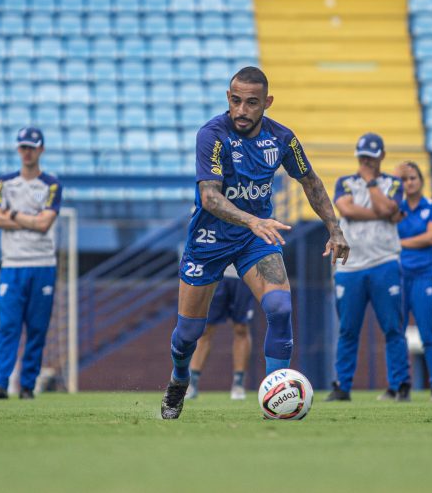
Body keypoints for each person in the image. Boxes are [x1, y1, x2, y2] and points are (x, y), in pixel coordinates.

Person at [160, 66, 350, 419]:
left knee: (279, 309)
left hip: (255, 240)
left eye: (251, 102)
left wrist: (334, 229)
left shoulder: (282, 138)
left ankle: (274, 401)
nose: (241, 110)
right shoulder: (212, 135)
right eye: (235, 101)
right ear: (228, 99)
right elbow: (210, 198)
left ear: (267, 102)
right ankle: (179, 380)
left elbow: (311, 182)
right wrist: (253, 219)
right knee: (189, 333)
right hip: (210, 239)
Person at [325, 133, 412, 403]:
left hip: (384, 262)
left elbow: (389, 206)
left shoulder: (392, 183)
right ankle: (343, 385)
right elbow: (347, 210)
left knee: (392, 327)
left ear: (381, 157)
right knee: (348, 329)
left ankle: (398, 385)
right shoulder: (345, 182)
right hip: (350, 268)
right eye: (363, 157)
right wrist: (383, 212)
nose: (366, 162)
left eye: (371, 158)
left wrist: (373, 184)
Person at [0, 127, 62, 400]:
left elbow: (44, 224)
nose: (27, 152)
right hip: (12, 264)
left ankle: (27, 386)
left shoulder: (51, 184)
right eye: (23, 147)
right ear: (18, 149)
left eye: (32, 147)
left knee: (37, 328)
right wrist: (30, 218)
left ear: (41, 149)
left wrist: (13, 214)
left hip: (42, 264)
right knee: (8, 326)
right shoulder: (6, 182)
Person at [396, 161, 432, 401]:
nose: (409, 183)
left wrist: (400, 243)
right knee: (396, 333)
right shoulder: (395, 208)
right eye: (405, 179)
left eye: (413, 178)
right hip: (398, 277)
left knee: (429, 333)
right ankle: (398, 386)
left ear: (421, 180)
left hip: (425, 277)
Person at [185, 267, 255, 400]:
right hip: (216, 274)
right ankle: (191, 384)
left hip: (243, 274)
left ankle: (238, 384)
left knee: (241, 328)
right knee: (205, 329)